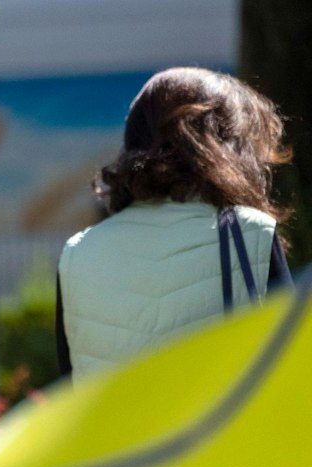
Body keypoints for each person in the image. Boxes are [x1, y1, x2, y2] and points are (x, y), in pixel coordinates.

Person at [57, 67, 293, 381]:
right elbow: (294, 373)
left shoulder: (78, 253)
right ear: (230, 147)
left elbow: (67, 387)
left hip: (126, 431)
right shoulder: (251, 235)